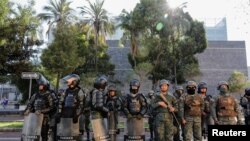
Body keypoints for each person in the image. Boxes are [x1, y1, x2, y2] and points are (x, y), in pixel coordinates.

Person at [57, 74, 86, 139]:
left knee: (75, 136)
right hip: (65, 117)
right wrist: (59, 113)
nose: (68, 81)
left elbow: (82, 105)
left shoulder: (80, 91)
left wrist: (77, 115)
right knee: (65, 136)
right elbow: (60, 103)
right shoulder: (66, 91)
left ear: (75, 81)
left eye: (70, 80)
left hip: (75, 118)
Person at [90, 76, 110, 141]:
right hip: (98, 116)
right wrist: (107, 110)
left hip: (94, 115)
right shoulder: (98, 92)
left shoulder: (93, 91)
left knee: (96, 135)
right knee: (101, 136)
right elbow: (99, 106)